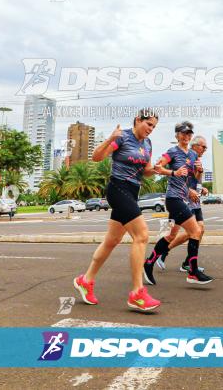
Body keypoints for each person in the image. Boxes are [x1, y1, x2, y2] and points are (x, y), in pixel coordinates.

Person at [73, 109, 161, 312]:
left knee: (112, 240)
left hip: (132, 192)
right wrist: (111, 138)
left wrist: (156, 168)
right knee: (142, 235)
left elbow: (146, 171)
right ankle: (137, 293)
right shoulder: (123, 138)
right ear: (138, 120)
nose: (151, 129)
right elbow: (96, 157)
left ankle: (86, 280)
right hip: (117, 188)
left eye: (154, 127)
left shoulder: (147, 144)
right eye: (149, 125)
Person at [143, 121, 213, 285]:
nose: (186, 136)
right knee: (196, 231)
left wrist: (199, 172)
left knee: (171, 235)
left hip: (185, 199)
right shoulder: (172, 152)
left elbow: (194, 180)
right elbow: (157, 167)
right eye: (183, 133)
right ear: (177, 135)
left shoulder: (193, 155)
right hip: (174, 199)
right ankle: (193, 272)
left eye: (189, 133)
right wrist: (174, 172)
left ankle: (149, 262)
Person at [157, 135, 209, 273]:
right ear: (195, 146)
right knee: (173, 233)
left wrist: (200, 187)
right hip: (180, 200)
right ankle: (161, 253)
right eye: (203, 147)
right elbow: (178, 180)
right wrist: (189, 190)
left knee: (200, 229)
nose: (205, 149)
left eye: (206, 147)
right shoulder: (183, 158)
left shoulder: (197, 160)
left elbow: (196, 180)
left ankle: (188, 263)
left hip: (193, 201)